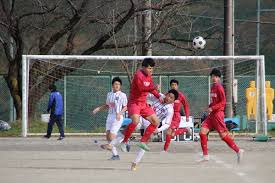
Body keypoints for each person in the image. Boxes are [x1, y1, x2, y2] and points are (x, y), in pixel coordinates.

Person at [198, 68, 244, 163]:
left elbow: (223, 102)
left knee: (223, 136)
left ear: (219, 78)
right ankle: (205, 156)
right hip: (212, 115)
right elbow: (214, 101)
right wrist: (210, 107)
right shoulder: (212, 87)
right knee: (202, 132)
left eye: (216, 77)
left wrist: (213, 108)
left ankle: (238, 151)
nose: (214, 78)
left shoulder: (219, 87)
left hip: (218, 115)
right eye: (213, 76)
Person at [131, 89, 179, 171]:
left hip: (151, 124)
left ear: (173, 101)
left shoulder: (170, 110)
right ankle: (124, 142)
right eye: (168, 95)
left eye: (171, 98)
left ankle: (135, 163)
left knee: (145, 144)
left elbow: (167, 124)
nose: (168, 98)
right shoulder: (158, 96)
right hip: (143, 117)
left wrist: (159, 130)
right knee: (133, 126)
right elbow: (146, 94)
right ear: (166, 94)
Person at [120, 58, 161, 152]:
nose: (151, 70)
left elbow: (151, 89)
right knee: (135, 121)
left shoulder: (149, 76)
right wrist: (154, 87)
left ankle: (143, 141)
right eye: (149, 68)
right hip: (134, 103)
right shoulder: (138, 75)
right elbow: (141, 88)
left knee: (156, 122)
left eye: (152, 68)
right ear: (143, 67)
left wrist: (159, 96)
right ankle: (124, 141)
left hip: (143, 103)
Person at [92, 77, 127, 160]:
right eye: (115, 84)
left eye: (119, 84)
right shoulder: (109, 94)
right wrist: (98, 109)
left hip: (118, 117)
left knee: (111, 136)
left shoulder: (122, 95)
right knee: (108, 137)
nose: (117, 85)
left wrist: (120, 113)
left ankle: (124, 139)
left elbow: (126, 106)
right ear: (112, 85)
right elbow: (107, 105)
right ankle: (115, 155)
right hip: (110, 116)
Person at [163, 79, 190, 152]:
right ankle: (185, 129)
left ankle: (164, 150)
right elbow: (162, 101)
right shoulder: (167, 95)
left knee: (169, 133)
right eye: (172, 85)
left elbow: (186, 105)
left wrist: (187, 115)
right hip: (168, 115)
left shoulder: (180, 95)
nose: (174, 86)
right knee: (170, 134)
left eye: (175, 85)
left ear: (177, 86)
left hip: (176, 116)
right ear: (170, 86)